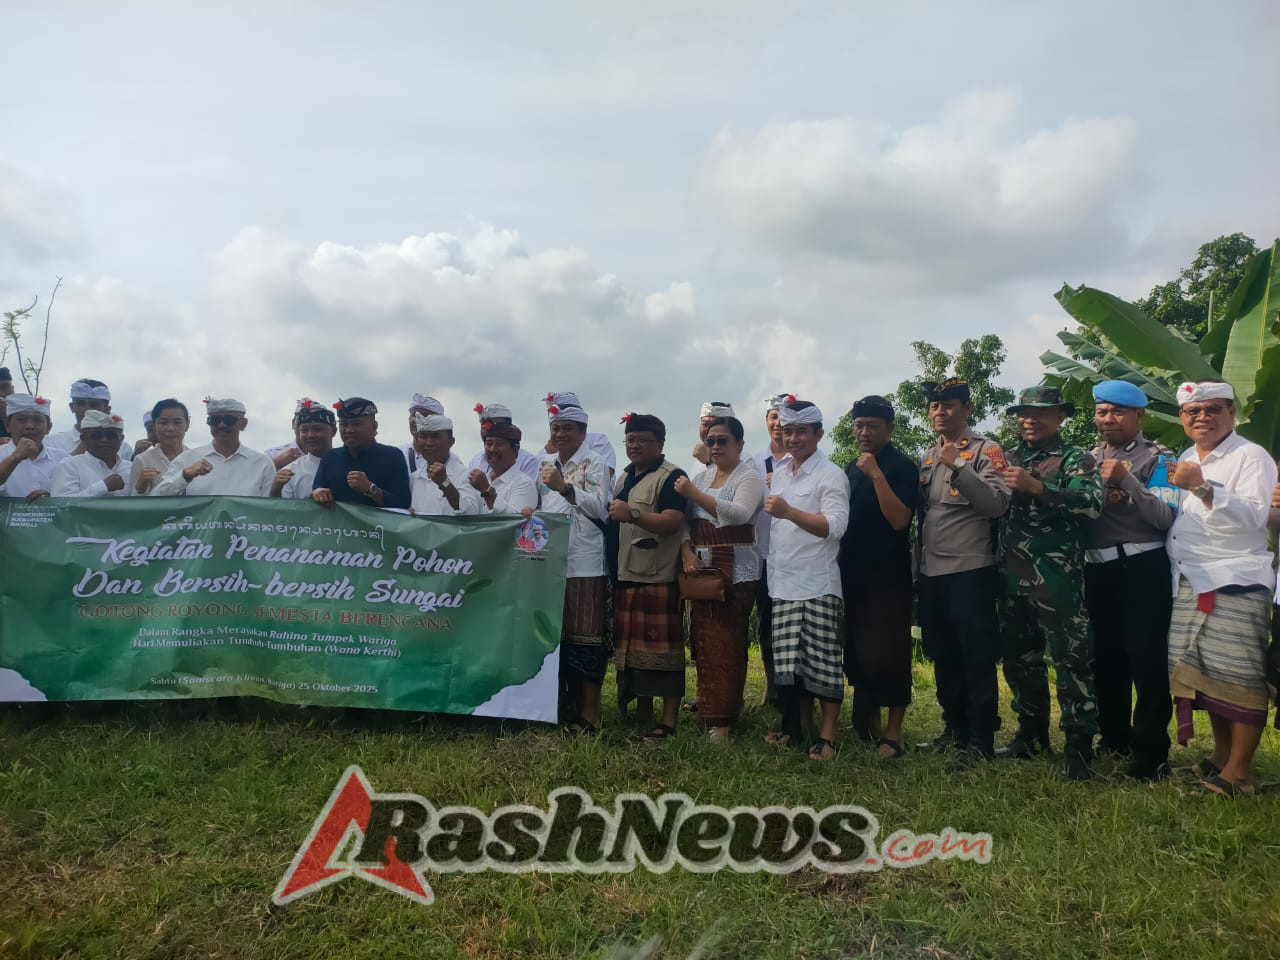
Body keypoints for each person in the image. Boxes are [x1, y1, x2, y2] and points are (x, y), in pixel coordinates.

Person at [1166, 381, 1277, 798]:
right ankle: (1221, 757)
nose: (1202, 417)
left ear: (1231, 413)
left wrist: (1203, 486)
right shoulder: (1185, 456)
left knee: (1239, 675)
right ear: (1182, 418)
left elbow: (1256, 518)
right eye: (1193, 411)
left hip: (1235, 579)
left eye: (1213, 409)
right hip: (1193, 576)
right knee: (1207, 674)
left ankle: (1239, 774)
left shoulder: (1251, 456)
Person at [996, 386, 1102, 780]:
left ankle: (1078, 746)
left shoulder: (1077, 458)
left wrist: (1040, 488)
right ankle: (1031, 733)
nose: (1029, 419)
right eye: (1023, 412)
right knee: (1020, 662)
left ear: (1060, 416)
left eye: (1041, 412)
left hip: (1057, 579)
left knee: (1071, 662)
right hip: (1010, 577)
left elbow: (1091, 504)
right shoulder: (1006, 458)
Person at [1084, 380, 1178, 780]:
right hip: (1098, 567)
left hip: (1142, 566)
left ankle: (1152, 751)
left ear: (1139, 416)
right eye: (1103, 411)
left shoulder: (1160, 457)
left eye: (1118, 412)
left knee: (1145, 657)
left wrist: (1128, 482)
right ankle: (1114, 737)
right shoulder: (1084, 459)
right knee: (1106, 658)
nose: (1109, 419)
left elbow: (1164, 517)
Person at [914, 378, 1010, 762]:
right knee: (943, 652)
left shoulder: (987, 451)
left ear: (967, 408)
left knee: (975, 655)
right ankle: (953, 728)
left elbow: (996, 505)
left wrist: (959, 468)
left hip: (970, 569)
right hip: (931, 571)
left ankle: (980, 738)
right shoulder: (926, 456)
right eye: (936, 407)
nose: (941, 412)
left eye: (949, 405)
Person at [763, 399, 851, 761]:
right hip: (782, 582)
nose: (793, 438)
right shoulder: (781, 472)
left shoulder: (831, 475)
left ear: (818, 434)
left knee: (824, 663)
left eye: (801, 431)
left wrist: (789, 511)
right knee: (789, 666)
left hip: (817, 582)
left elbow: (835, 528)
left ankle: (828, 737)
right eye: (787, 431)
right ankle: (794, 731)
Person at [675, 415, 764, 743]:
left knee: (728, 642)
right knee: (704, 643)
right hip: (701, 570)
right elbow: (686, 522)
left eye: (722, 440)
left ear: (739, 444)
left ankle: (724, 720)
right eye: (710, 440)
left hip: (736, 572)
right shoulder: (702, 474)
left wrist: (696, 495)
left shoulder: (749, 476)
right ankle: (709, 709)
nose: (715, 446)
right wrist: (686, 551)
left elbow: (738, 513)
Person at [839, 396, 919, 759]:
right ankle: (866, 722)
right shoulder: (850, 467)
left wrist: (876, 475)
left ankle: (893, 733)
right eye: (859, 425)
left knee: (890, 652)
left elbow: (900, 520)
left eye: (873, 425)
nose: (864, 432)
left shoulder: (902, 466)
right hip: (851, 572)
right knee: (858, 651)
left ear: (890, 428)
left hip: (888, 575)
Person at [608, 413, 689, 739]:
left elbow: (673, 522)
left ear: (660, 443)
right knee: (631, 652)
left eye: (642, 439)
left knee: (665, 654)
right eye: (630, 439)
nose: (635, 445)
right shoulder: (624, 476)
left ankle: (668, 721)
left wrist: (635, 514)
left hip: (658, 575)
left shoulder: (672, 476)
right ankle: (642, 711)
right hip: (625, 572)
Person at [538, 398, 611, 731]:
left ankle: (591, 713)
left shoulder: (594, 462)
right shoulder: (545, 465)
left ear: (583, 432)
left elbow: (599, 508)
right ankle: (566, 708)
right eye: (556, 428)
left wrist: (565, 488)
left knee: (588, 640)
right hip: (551, 564)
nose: (561, 433)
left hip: (586, 562)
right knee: (561, 640)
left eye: (568, 428)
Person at [751, 393, 792, 707]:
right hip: (760, 554)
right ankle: (771, 686)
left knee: (791, 623)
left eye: (784, 417)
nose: (778, 424)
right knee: (766, 623)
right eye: (773, 418)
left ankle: (795, 688)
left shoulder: (804, 459)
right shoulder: (753, 461)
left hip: (794, 555)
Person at [151, 398, 275, 497]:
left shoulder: (262, 464)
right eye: (215, 420)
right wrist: (185, 476)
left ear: (243, 424)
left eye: (228, 420)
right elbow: (157, 498)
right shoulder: (187, 460)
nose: (221, 425)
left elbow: (268, 510)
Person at [312, 397, 411, 509]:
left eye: (356, 424)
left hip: (379, 526)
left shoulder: (392, 456)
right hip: (338, 526)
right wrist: (318, 494)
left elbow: (404, 504)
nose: (349, 430)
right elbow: (315, 495)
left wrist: (371, 489)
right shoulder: (330, 458)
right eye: (343, 424)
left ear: (374, 427)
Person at [408, 413, 483, 516]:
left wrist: (444, 483)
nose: (429, 443)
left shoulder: (464, 476)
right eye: (423, 437)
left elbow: (470, 513)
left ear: (451, 442)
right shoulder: (414, 478)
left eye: (435, 436)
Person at [46, 378, 133, 462]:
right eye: (81, 404)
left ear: (107, 410)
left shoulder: (123, 448)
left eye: (94, 404)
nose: (87, 410)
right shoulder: (52, 443)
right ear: (72, 407)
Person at [0, 395, 67, 500]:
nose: (30, 426)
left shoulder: (62, 458)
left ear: (48, 428)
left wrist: (51, 498)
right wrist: (16, 457)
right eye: (22, 420)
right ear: (7, 425)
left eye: (38, 420)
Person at [543, 392, 617, 488]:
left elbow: (604, 478)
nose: (560, 434)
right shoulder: (544, 458)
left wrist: (559, 453)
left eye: (567, 428)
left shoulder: (598, 440)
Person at [50, 411, 131, 497]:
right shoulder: (69, 466)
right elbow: (62, 504)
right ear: (83, 438)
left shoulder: (132, 468)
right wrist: (103, 487)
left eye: (111, 436)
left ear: (121, 439)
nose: (104, 440)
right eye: (97, 435)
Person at [270, 399, 336, 499]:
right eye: (304, 430)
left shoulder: (349, 463)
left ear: (334, 431)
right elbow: (281, 510)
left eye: (317, 429)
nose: (310, 435)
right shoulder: (290, 472)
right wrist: (275, 490)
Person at [468, 422, 539, 513]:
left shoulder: (524, 484)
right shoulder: (480, 480)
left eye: (499, 444)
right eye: (489, 444)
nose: (493, 449)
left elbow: (513, 520)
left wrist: (486, 490)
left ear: (515, 450)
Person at [466, 403, 541, 481]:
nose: (489, 431)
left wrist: (485, 488)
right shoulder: (475, 460)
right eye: (484, 427)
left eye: (496, 427)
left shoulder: (527, 461)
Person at [130, 400, 190, 495]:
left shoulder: (196, 458)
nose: (170, 428)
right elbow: (133, 504)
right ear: (154, 425)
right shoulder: (142, 460)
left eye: (177, 422)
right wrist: (140, 487)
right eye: (163, 422)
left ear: (187, 424)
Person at [400, 394, 446, 474]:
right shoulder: (397, 455)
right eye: (414, 415)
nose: (417, 419)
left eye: (424, 416)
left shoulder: (449, 460)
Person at [691, 401, 735, 468]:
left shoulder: (744, 460)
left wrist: (710, 461)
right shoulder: (697, 465)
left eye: (715, 424)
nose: (709, 430)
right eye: (705, 424)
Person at [0, 367, 14, 439]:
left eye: (5, 387)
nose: (1, 393)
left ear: (12, 389)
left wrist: (5, 417)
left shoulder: (26, 414)